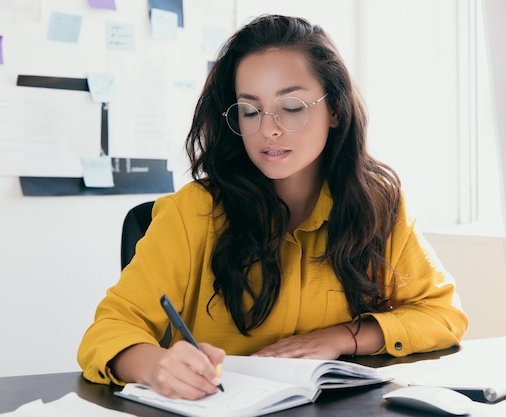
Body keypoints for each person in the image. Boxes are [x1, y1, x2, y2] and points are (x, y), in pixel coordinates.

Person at [78, 14, 468, 401]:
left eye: (292, 106)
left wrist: (342, 338)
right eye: (250, 110)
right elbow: (107, 331)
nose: (268, 128)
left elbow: (443, 315)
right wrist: (156, 366)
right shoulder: (191, 213)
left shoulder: (378, 208)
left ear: (334, 109)